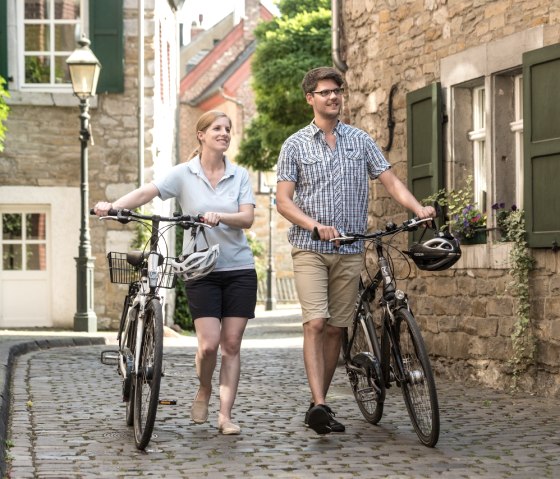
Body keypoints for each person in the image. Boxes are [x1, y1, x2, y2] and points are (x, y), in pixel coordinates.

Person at [275, 67, 435, 435]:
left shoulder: (359, 140)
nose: (333, 97)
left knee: (336, 329)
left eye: (337, 91)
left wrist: (417, 208)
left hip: (351, 247)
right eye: (325, 92)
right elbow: (283, 201)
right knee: (316, 322)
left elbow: (390, 181)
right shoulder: (295, 145)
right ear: (310, 98)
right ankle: (320, 404)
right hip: (310, 248)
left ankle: (320, 402)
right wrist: (313, 225)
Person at [93, 110, 257, 435]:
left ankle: (225, 416)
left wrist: (219, 216)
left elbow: (247, 218)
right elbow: (146, 192)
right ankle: (204, 387)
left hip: (238, 268)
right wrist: (113, 206)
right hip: (200, 269)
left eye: (227, 129)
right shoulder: (184, 174)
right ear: (202, 134)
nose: (223, 133)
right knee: (209, 345)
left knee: (232, 344)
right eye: (217, 128)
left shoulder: (239, 176)